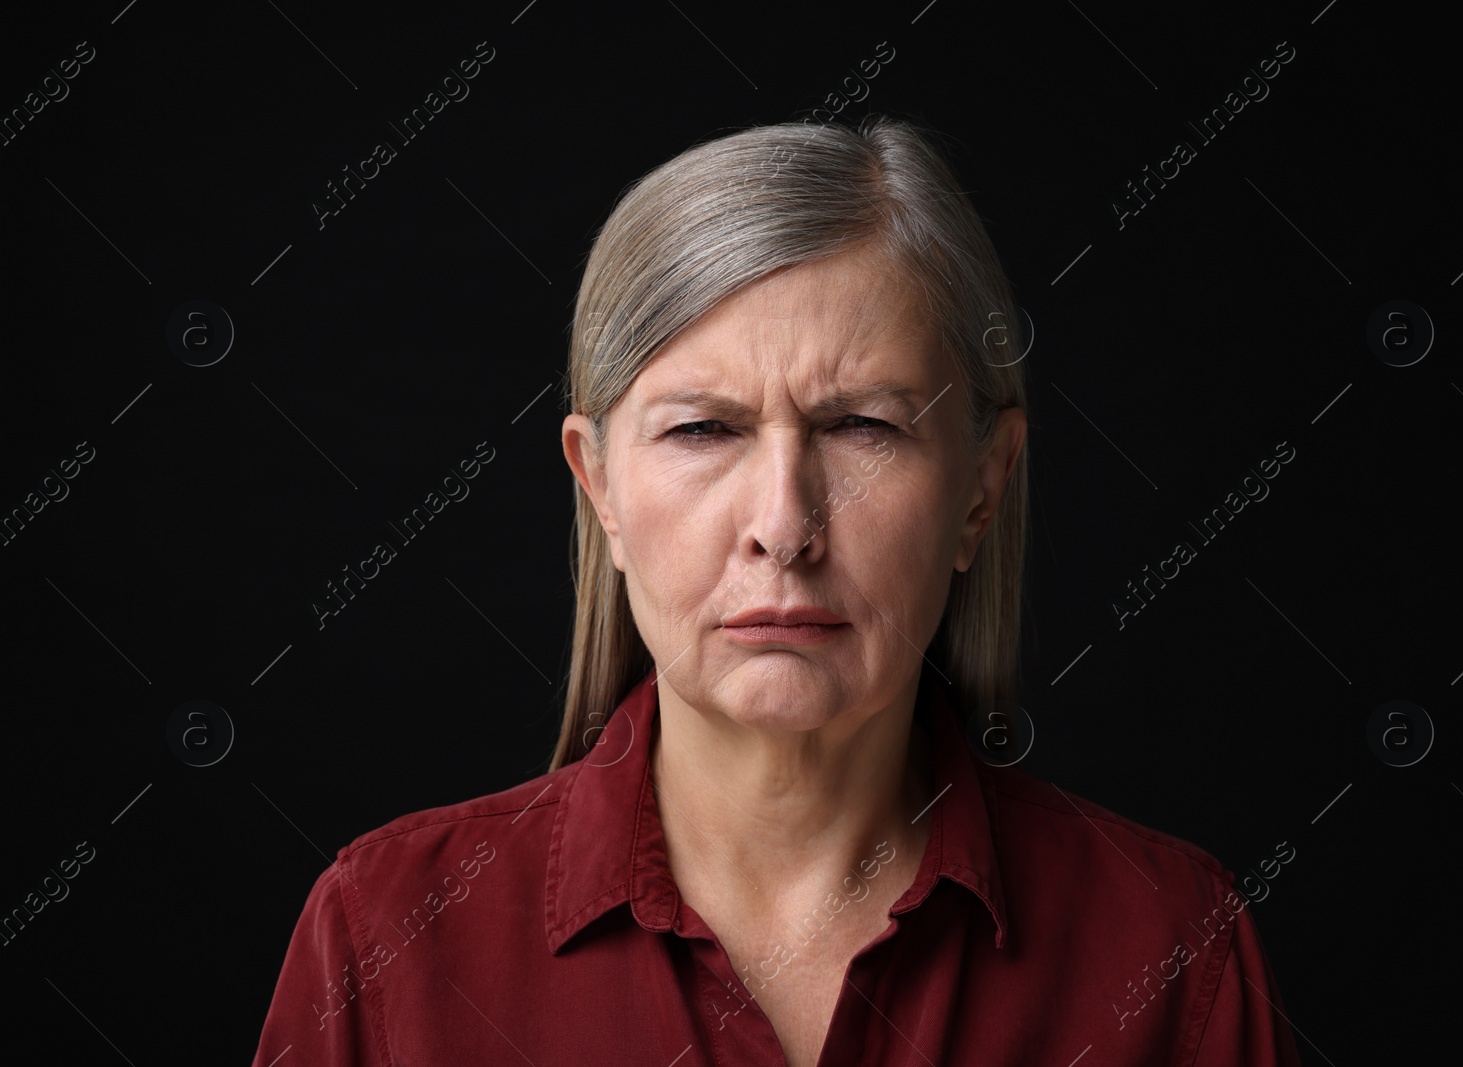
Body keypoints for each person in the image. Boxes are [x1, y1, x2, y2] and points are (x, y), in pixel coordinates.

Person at [251, 115, 1303, 1066]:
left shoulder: (1171, 951)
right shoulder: (384, 937)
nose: (783, 528)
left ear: (981, 488)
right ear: (599, 485)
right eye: (704, 429)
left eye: (862, 427)